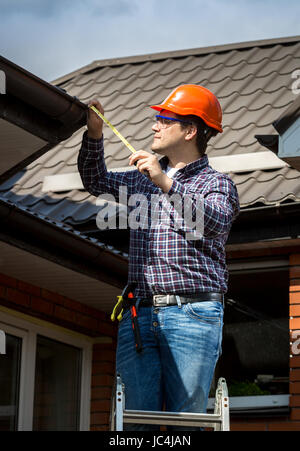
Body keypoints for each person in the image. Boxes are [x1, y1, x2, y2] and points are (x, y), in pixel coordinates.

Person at [78, 84, 240, 430]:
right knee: (137, 424)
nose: (154, 125)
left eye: (164, 119)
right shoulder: (144, 180)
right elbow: (95, 180)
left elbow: (213, 223)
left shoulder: (217, 184)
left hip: (192, 313)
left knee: (186, 423)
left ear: (190, 130)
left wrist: (165, 182)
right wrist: (94, 134)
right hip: (140, 312)